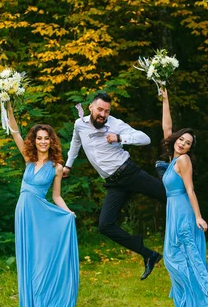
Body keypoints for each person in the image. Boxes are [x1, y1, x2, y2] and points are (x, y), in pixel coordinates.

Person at [63, 92, 166, 280]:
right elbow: (75, 144)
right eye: (100, 109)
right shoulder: (80, 125)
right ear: (91, 107)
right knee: (105, 226)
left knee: (168, 195)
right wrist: (68, 165)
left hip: (129, 173)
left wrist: (120, 138)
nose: (103, 114)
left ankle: (164, 175)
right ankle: (149, 254)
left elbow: (145, 138)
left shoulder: (115, 124)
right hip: (114, 184)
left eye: (107, 111)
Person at [6, 102, 79, 307]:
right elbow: (14, 132)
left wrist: (69, 213)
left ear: (51, 141)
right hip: (24, 213)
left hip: (41, 215)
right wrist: (8, 105)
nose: (43, 141)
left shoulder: (57, 167)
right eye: (39, 138)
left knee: (42, 258)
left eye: (46, 138)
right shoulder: (28, 158)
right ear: (34, 141)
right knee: (28, 257)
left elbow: (56, 196)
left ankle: (46, 300)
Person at [160, 89, 208, 307]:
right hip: (173, 210)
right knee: (173, 257)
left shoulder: (184, 160)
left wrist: (198, 216)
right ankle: (190, 298)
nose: (182, 144)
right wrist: (166, 99)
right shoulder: (173, 158)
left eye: (187, 143)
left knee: (184, 256)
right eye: (181, 140)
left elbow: (190, 189)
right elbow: (166, 129)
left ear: (190, 149)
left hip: (184, 211)